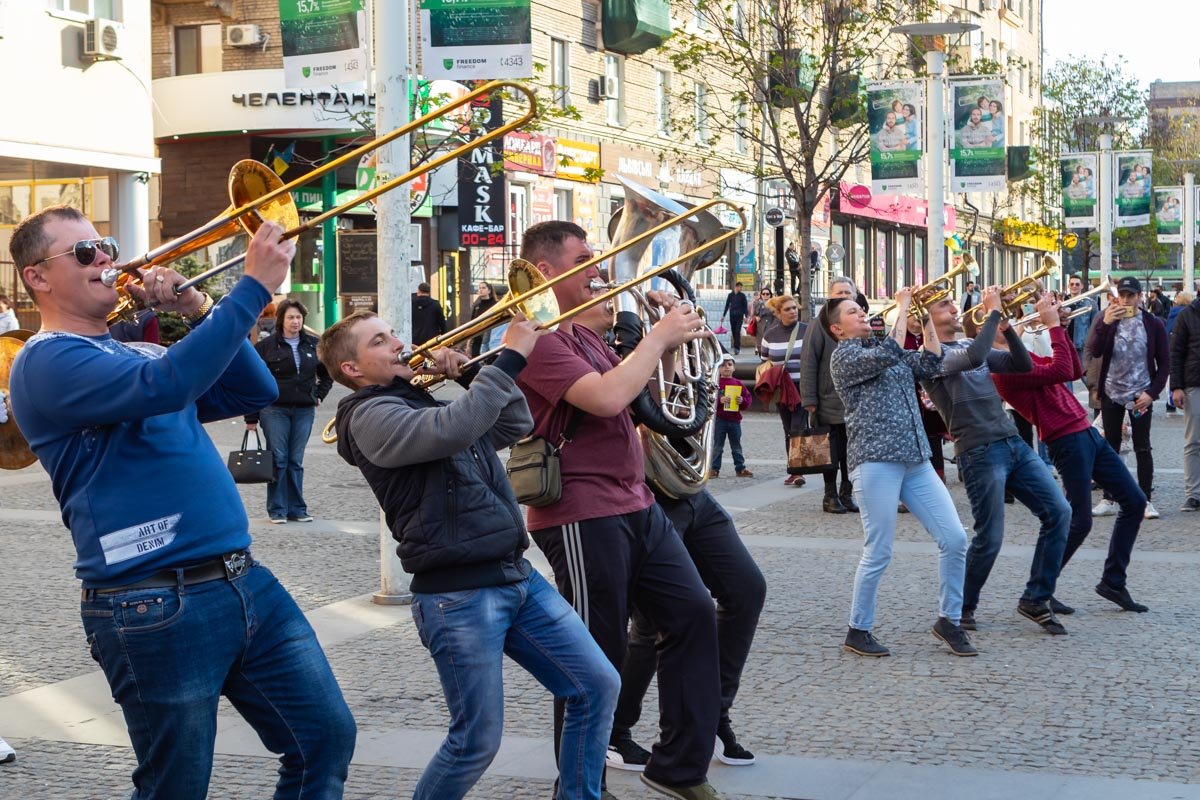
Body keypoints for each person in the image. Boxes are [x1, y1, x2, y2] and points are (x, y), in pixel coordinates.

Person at [8, 207, 355, 798]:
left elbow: (253, 389)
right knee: (177, 785)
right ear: (37, 277)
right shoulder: (45, 360)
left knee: (324, 738)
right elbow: (168, 386)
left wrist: (198, 307)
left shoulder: (138, 354)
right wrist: (251, 289)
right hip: (149, 600)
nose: (107, 262)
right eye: (86, 254)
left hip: (243, 581)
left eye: (107, 246)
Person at [320, 310, 619, 800]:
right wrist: (510, 358)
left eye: (393, 333)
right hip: (457, 596)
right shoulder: (370, 417)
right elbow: (452, 430)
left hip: (515, 576)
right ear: (352, 369)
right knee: (476, 740)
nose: (398, 343)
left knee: (596, 685)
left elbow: (516, 421)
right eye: (380, 341)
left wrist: (471, 372)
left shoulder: (420, 402)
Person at [514, 220, 725, 800]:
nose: (601, 269)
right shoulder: (536, 338)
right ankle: (581, 785)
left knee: (692, 614)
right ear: (548, 272)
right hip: (580, 513)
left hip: (635, 501)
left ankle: (678, 766)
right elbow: (605, 397)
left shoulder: (589, 334)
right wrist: (657, 338)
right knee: (591, 655)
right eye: (586, 259)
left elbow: (643, 401)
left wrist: (674, 348)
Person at [568, 303, 765, 774]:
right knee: (651, 624)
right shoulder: (603, 338)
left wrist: (674, 355)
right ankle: (615, 728)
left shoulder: (645, 331)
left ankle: (711, 714)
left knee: (745, 590)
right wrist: (653, 342)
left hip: (688, 487)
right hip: (642, 494)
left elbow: (673, 406)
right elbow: (628, 406)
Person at [827, 290, 974, 658]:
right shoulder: (845, 356)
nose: (861, 314)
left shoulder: (884, 349)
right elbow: (891, 352)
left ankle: (949, 621)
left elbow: (931, 362)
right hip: (875, 460)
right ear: (837, 329)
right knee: (878, 551)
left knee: (955, 538)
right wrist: (904, 306)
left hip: (916, 458)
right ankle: (858, 629)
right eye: (852, 312)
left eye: (862, 309)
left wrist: (925, 318)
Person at [920, 288, 1073, 635]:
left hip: (1012, 442)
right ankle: (963, 606)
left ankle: (1036, 598)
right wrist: (991, 314)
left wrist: (1006, 330)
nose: (955, 307)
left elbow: (1021, 365)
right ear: (927, 316)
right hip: (978, 449)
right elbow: (975, 358)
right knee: (990, 536)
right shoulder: (929, 357)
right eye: (944, 304)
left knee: (1059, 512)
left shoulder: (969, 346)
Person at [992, 295, 1149, 613]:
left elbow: (1074, 367)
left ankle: (1113, 582)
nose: (1012, 323)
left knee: (1134, 502)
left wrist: (1059, 328)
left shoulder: (1020, 356)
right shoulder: (1003, 368)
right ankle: (1039, 589)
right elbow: (1063, 369)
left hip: (1086, 433)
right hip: (1064, 439)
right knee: (1078, 521)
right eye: (1003, 323)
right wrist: (1052, 326)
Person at [244, 299, 332, 524]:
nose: (295, 322)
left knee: (296, 460)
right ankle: (277, 509)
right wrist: (251, 418)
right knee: (279, 459)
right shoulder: (266, 347)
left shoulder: (313, 344)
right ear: (281, 319)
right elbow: (251, 380)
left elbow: (327, 374)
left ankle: (297, 508)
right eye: (291, 317)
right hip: (274, 409)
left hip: (304, 410)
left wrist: (319, 394)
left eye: (299, 317)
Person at [1090, 277, 1170, 521]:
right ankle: (1109, 497)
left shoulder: (1152, 323)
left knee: (1142, 447)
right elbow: (1095, 350)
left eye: (1130, 295)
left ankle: (1145, 500)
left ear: (1139, 297)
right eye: (1122, 294)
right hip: (1112, 392)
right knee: (1110, 447)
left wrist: (1152, 393)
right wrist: (1104, 323)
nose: (1126, 299)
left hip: (1140, 395)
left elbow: (1164, 363)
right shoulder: (1108, 319)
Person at [800, 277, 858, 513]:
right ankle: (830, 495)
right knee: (830, 452)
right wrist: (810, 399)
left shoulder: (859, 319)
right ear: (830, 296)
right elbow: (809, 361)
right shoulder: (819, 323)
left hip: (854, 401)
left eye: (848, 293)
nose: (844, 296)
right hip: (828, 399)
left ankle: (847, 493)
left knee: (851, 452)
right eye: (840, 293)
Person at [759, 294, 806, 487]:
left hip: (803, 387)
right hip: (782, 389)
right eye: (787, 309)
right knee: (788, 429)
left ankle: (798, 470)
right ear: (778, 313)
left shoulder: (807, 330)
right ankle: (794, 468)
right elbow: (765, 361)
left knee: (797, 428)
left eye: (794, 308)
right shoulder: (769, 335)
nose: (793, 311)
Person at [1171, 290, 1200, 511]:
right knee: (1193, 441)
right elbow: (1176, 353)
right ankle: (1193, 494)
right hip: (1194, 384)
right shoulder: (1186, 315)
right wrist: (1177, 387)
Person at [710, 353, 753, 478]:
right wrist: (719, 401)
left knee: (736, 446)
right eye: (722, 365)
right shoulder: (715, 383)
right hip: (719, 420)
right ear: (718, 368)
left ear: (734, 367)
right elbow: (709, 400)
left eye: (729, 364)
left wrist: (742, 401)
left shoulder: (738, 383)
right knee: (717, 446)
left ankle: (740, 468)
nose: (726, 367)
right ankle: (714, 468)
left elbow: (747, 399)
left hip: (735, 421)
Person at [1066, 276, 1098, 369]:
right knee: (1066, 377)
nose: (1074, 286)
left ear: (1082, 286)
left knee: (1086, 377)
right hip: (1067, 345)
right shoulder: (1063, 303)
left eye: (1077, 284)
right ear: (1068, 286)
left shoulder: (1091, 304)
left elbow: (1095, 326)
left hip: (1082, 346)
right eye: (1072, 284)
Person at [411, 281, 447, 347]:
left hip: (413, 342)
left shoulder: (410, 304)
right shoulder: (435, 305)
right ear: (429, 292)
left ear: (418, 291)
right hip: (431, 341)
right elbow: (442, 324)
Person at [468, 280, 498, 358]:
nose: (480, 290)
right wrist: (468, 344)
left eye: (483, 288)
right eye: (479, 288)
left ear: (489, 291)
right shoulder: (476, 306)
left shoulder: (495, 304)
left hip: (491, 340)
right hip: (477, 340)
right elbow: (472, 325)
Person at [720, 281, 749, 355]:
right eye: (739, 287)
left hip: (739, 316)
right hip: (732, 315)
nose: (740, 288)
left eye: (741, 287)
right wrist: (723, 315)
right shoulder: (730, 295)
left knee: (737, 331)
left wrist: (746, 316)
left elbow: (745, 306)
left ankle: (737, 348)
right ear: (736, 287)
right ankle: (736, 346)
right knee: (733, 331)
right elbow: (727, 305)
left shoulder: (742, 296)